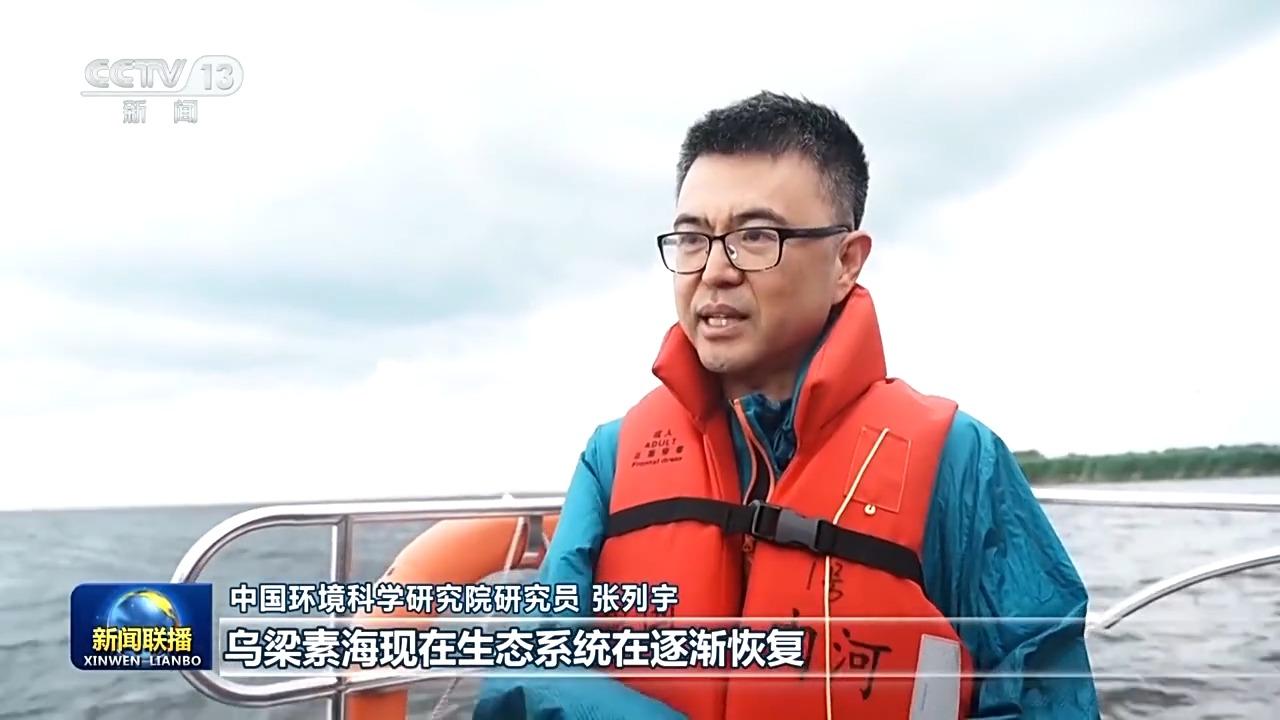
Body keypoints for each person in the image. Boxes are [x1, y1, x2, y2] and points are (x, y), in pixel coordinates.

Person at [474, 91, 1099, 719]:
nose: (714, 271)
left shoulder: (956, 461)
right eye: (692, 239)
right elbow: (532, 665)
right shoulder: (612, 458)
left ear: (846, 262)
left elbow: (1042, 688)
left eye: (755, 236)